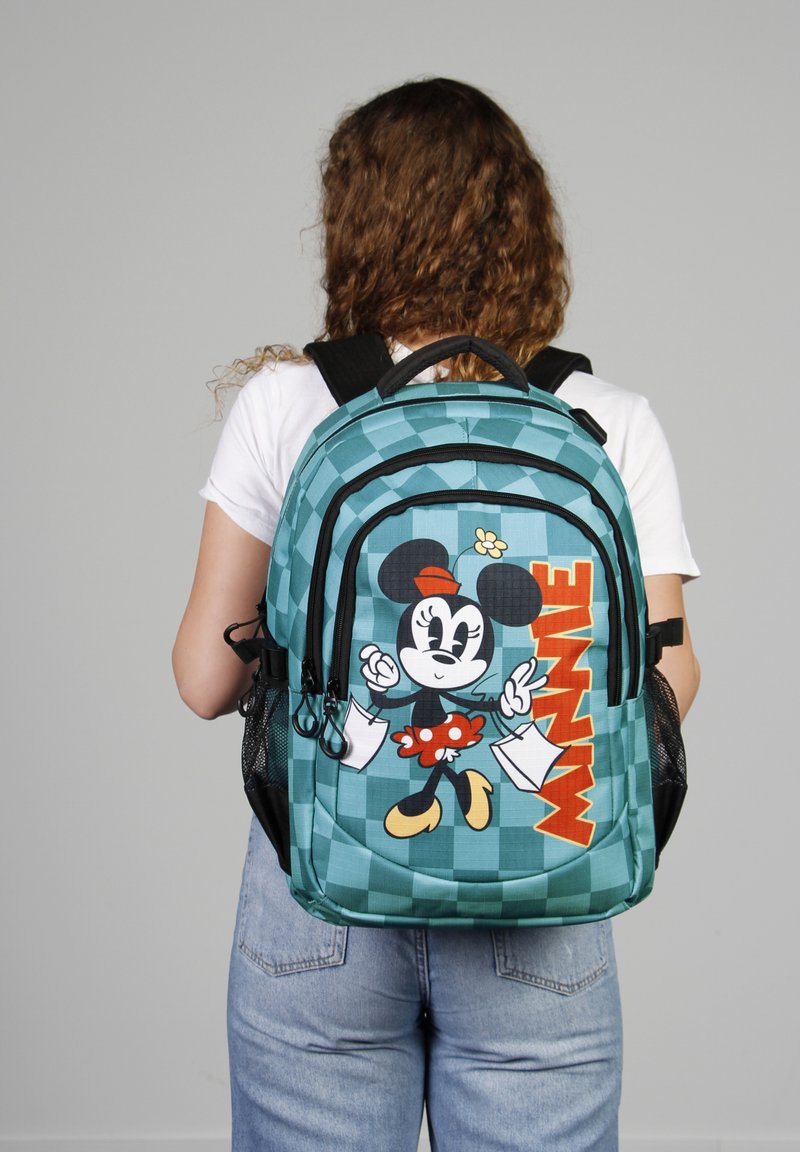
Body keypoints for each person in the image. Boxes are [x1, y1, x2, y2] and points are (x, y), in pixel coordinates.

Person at [173, 77, 700, 1152]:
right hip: (544, 880)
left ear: (353, 227)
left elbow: (203, 679)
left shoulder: (291, 402)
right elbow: (667, 683)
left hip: (323, 880)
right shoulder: (601, 417)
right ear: (526, 227)